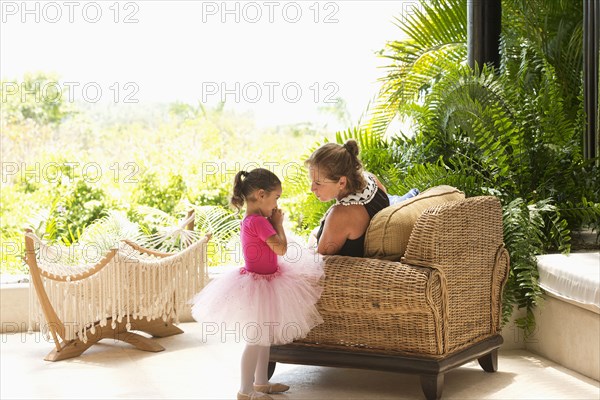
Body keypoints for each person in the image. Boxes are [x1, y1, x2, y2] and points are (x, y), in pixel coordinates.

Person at [190, 168, 324, 400]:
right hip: (259, 285)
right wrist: (279, 223)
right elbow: (281, 249)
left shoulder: (255, 219)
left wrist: (272, 220)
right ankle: (245, 389)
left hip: (269, 281)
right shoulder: (260, 223)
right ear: (261, 195)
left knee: (264, 338)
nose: (276, 205)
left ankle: (261, 382)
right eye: (276, 198)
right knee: (255, 340)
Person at [306, 139, 390, 257]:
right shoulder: (372, 180)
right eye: (312, 181)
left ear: (341, 182)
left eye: (318, 183)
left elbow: (319, 260)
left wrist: (312, 239)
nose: (312, 188)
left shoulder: (341, 214)